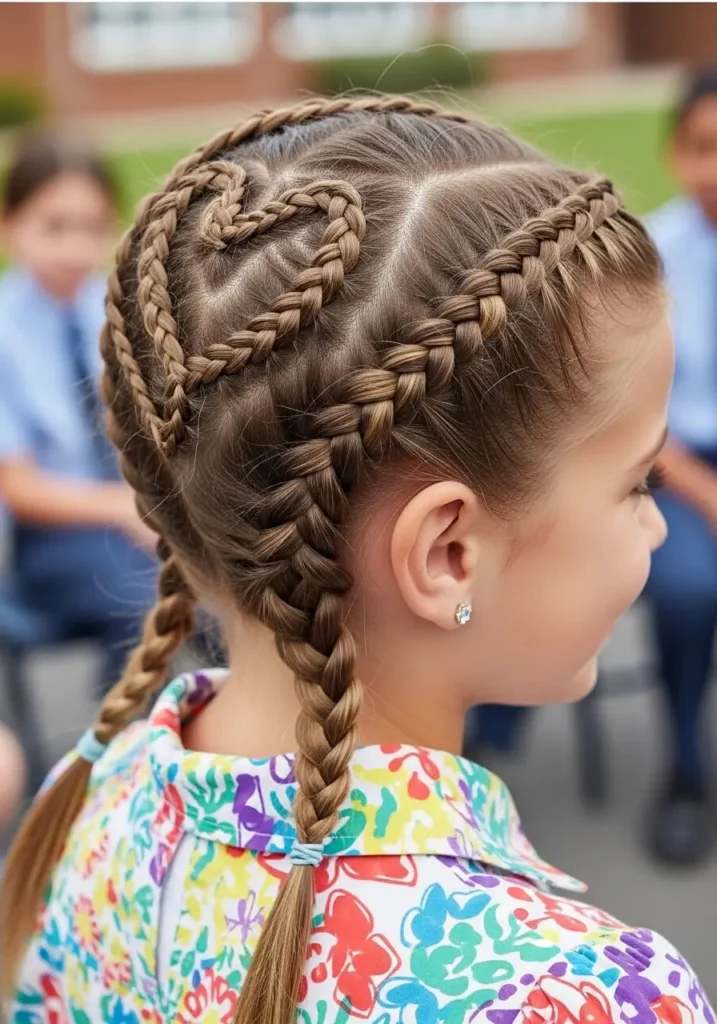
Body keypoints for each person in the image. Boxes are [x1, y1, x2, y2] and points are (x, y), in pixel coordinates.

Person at [1, 97, 711, 1024]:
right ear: (446, 552)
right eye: (637, 485)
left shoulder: (88, 795)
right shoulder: (580, 995)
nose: (655, 528)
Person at [0, 131, 157, 698]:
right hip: (55, 540)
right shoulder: (5, 333)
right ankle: (117, 733)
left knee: (227, 591)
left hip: (140, 518)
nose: (75, 249)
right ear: (9, 224)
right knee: (144, 603)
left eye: (92, 229)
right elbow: (20, 488)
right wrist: (121, 508)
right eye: (54, 227)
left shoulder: (121, 312)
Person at [643, 65, 717, 865]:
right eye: (704, 147)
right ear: (676, 153)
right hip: (675, 462)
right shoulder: (649, 256)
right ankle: (686, 770)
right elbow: (634, 414)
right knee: (689, 589)